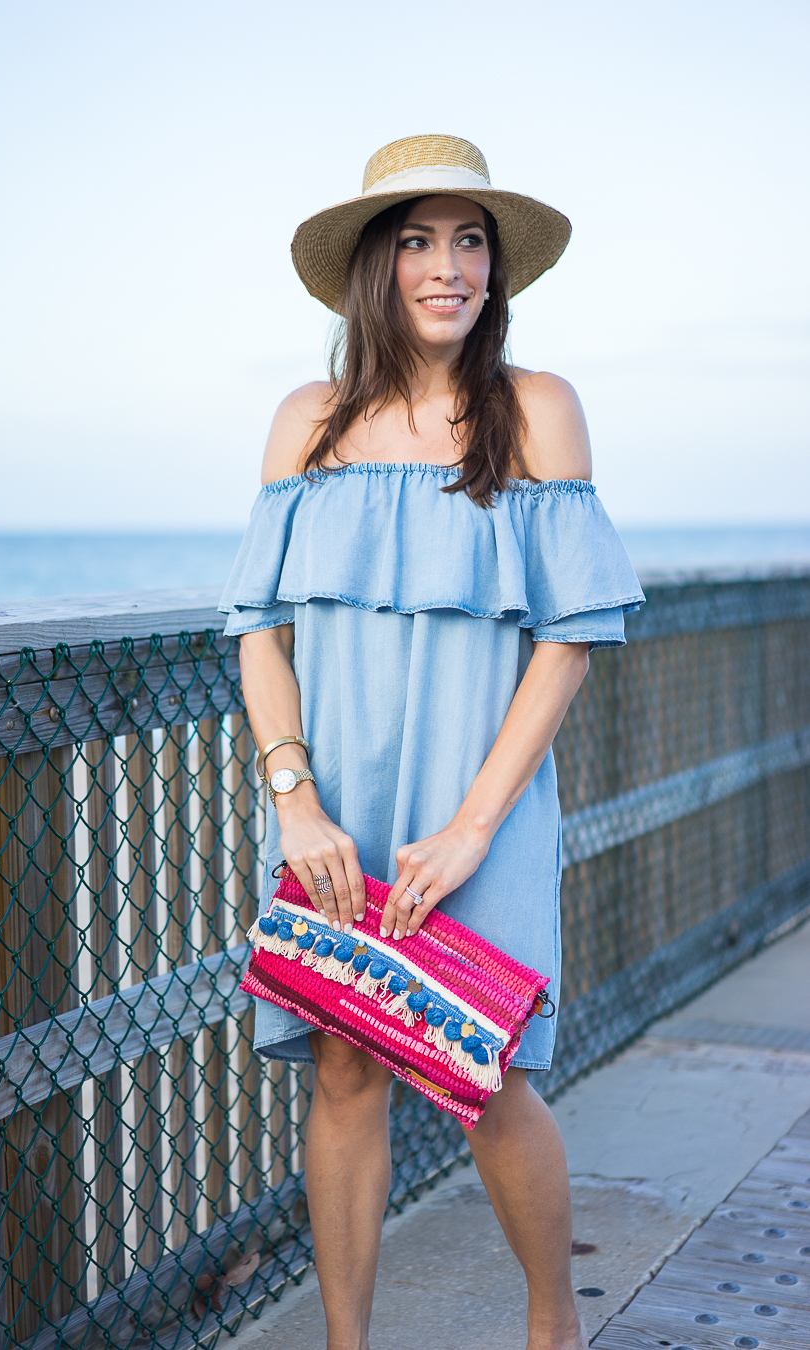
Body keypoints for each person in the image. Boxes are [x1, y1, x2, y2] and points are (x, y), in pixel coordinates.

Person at [220, 134, 644, 1350]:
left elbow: (565, 644)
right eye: (417, 240)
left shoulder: (537, 410)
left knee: (488, 1071)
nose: (447, 267)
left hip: (483, 803)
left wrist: (470, 830)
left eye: (469, 241)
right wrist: (293, 800)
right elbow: (259, 629)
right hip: (334, 797)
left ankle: (552, 1327)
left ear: (496, 268)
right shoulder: (310, 420)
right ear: (374, 265)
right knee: (346, 1070)